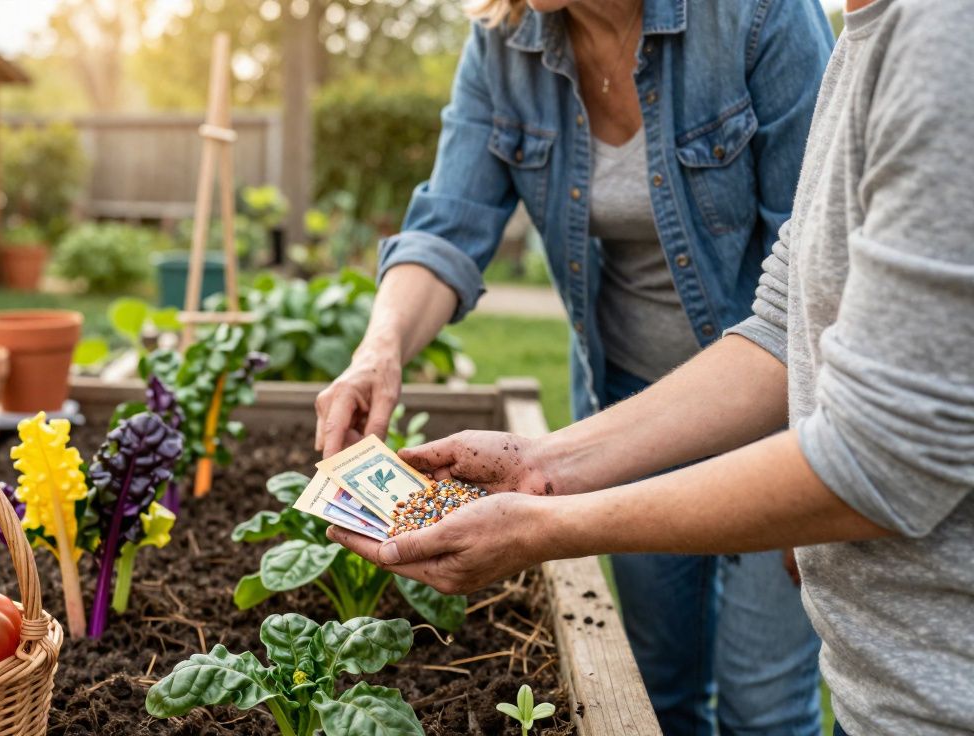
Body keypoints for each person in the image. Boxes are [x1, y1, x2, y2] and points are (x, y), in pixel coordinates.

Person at [327, 1, 974, 734]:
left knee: (761, 703)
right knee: (658, 682)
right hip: (648, 407)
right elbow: (786, 315)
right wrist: (541, 465)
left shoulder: (852, 30)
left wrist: (546, 525)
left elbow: (874, 451)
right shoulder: (867, 39)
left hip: (799, 444)